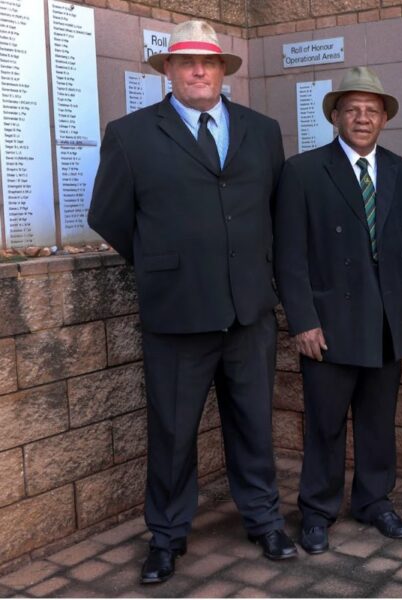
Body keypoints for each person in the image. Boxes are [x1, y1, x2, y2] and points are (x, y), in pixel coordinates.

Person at [88, 20, 296, 584]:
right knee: (174, 432)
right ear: (169, 72)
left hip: (249, 310)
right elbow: (107, 215)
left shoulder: (263, 130)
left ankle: (263, 517)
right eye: (186, 63)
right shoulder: (131, 135)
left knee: (254, 423)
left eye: (209, 62)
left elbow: (276, 213)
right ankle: (168, 534)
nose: (199, 70)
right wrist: (162, 263)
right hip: (177, 312)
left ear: (224, 70)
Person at [274, 67, 402, 555]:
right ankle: (317, 510)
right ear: (335, 116)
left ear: (384, 119)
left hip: (386, 321)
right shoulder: (302, 171)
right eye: (352, 109)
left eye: (372, 110)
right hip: (328, 324)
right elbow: (288, 255)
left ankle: (374, 501)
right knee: (325, 422)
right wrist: (302, 320)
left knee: (379, 421)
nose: (362, 118)